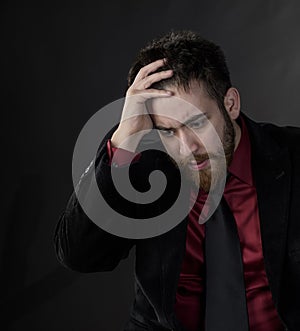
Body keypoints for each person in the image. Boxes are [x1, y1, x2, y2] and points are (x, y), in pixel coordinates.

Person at [54, 30, 300, 331]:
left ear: (231, 104)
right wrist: (124, 139)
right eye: (169, 130)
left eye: (197, 122)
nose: (189, 147)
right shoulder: (146, 170)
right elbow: (80, 256)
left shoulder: (293, 155)